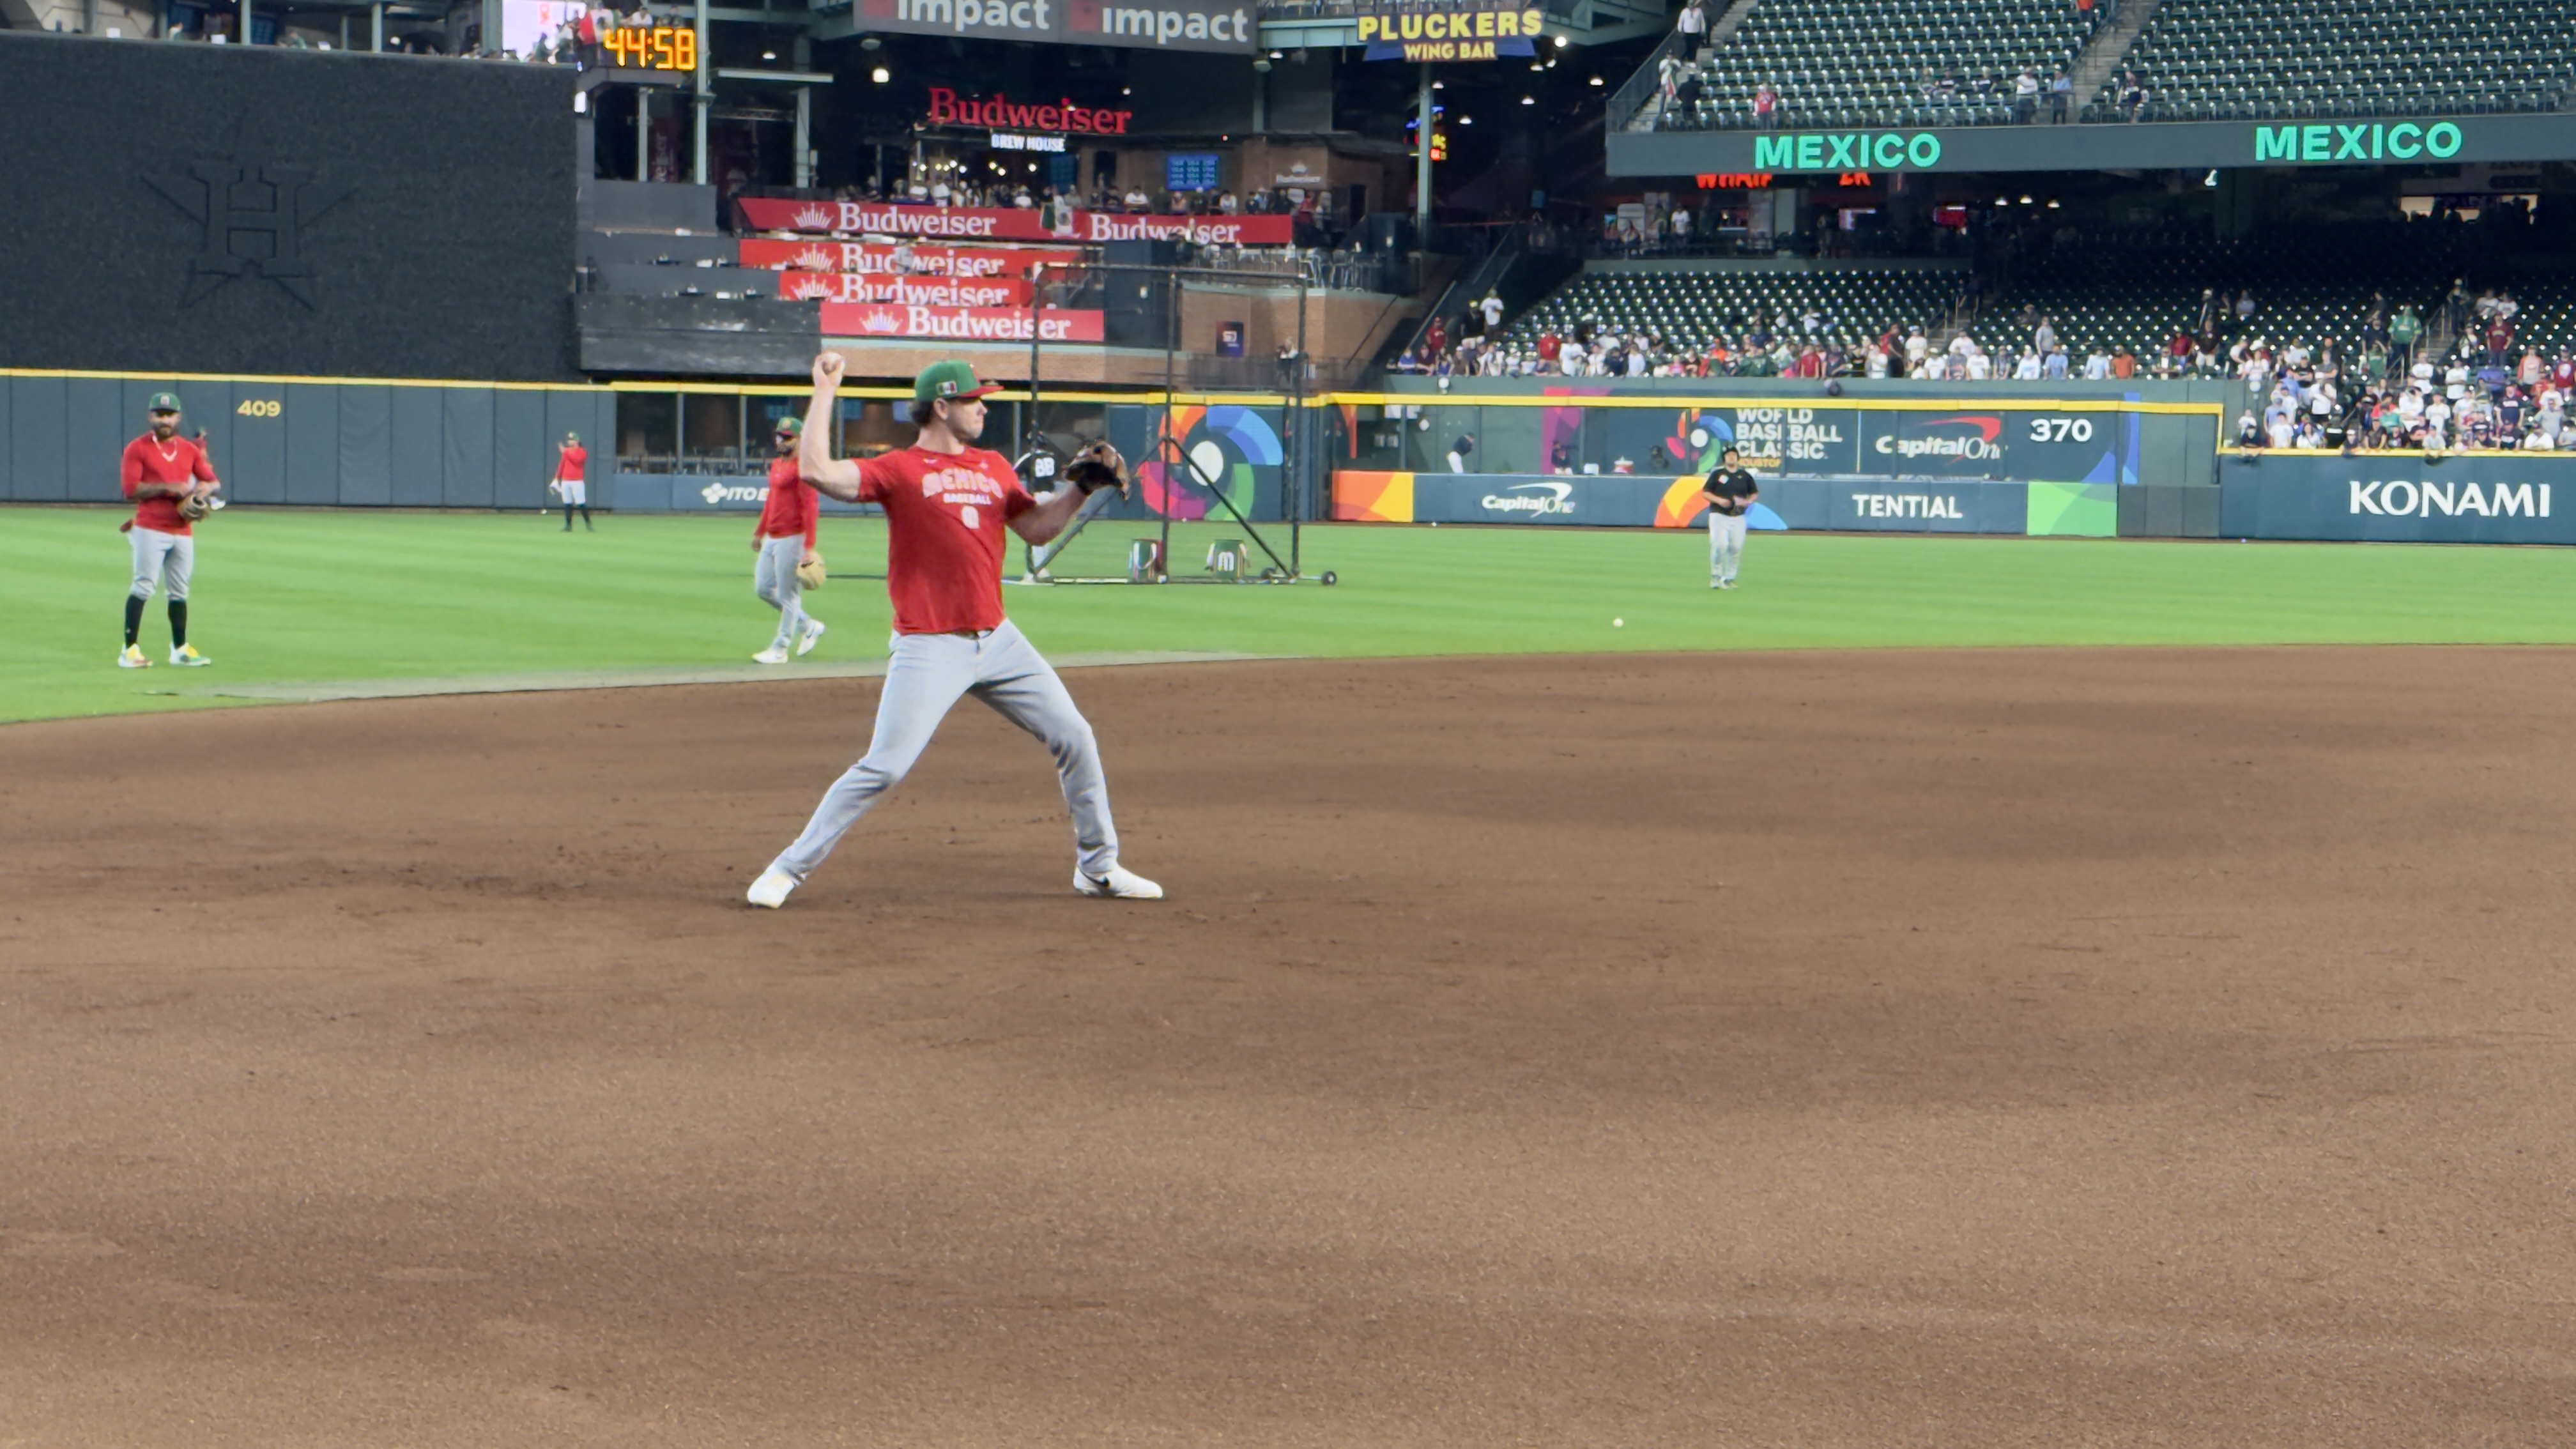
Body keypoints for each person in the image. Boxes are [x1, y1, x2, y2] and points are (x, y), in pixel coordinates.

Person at [744, 355, 1162, 908]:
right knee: (884, 766)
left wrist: (1080, 494)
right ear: (941, 407)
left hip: (1000, 640)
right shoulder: (898, 469)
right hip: (929, 643)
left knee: (1076, 736)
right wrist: (825, 390)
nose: (983, 406)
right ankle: (787, 869)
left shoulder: (993, 467)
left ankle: (1098, 866)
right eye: (973, 399)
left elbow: (1037, 529)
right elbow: (817, 471)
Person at [116, 392, 220, 669]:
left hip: (182, 529)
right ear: (150, 417)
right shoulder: (137, 449)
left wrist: (202, 490)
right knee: (143, 585)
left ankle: (180, 648)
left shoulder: (189, 449)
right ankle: (129, 650)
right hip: (150, 527)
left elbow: (212, 481)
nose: (165, 419)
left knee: (179, 591)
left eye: (169, 414)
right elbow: (130, 489)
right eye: (159, 414)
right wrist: (168, 487)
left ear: (178, 418)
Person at [750, 416, 827, 665]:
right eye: (779, 436)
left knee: (789, 595)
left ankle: (780, 648)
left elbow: (811, 507)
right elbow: (771, 501)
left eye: (787, 437)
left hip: (792, 538)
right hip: (773, 536)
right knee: (763, 588)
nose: (781, 441)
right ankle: (808, 624)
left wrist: (809, 546)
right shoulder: (777, 465)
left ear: (799, 440)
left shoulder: (802, 468)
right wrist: (759, 532)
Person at [1699, 447, 1758, 590]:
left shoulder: (1744, 476)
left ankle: (1729, 578)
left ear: (1738, 458)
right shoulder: (1718, 475)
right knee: (1720, 545)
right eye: (1728, 455)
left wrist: (1747, 502)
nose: (1731, 457)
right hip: (1719, 515)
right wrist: (1719, 500)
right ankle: (1716, 575)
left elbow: (1754, 493)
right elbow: (1705, 493)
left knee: (1736, 547)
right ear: (1724, 458)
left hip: (1738, 516)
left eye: (1734, 455)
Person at [553, 433, 594, 531]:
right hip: (566, 480)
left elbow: (577, 461)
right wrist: (557, 477)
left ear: (577, 441)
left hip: (577, 481)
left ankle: (588, 524)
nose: (570, 441)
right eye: (569, 440)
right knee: (567, 503)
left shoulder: (582, 452)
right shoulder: (567, 452)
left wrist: (565, 452)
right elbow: (562, 464)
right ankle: (568, 525)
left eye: (572, 440)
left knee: (581, 503)